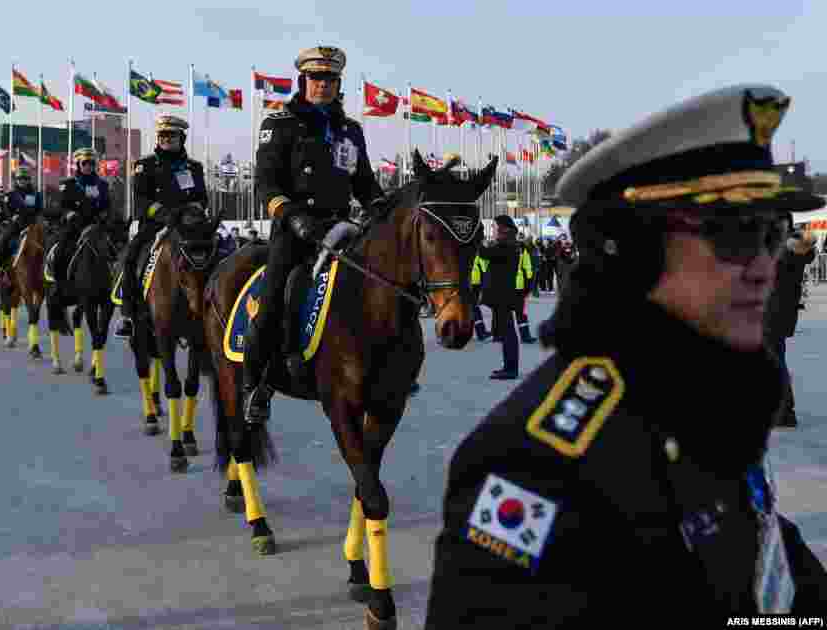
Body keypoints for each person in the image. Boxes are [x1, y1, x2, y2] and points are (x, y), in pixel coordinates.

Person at [424, 84, 827, 627]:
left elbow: (769, 572)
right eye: (734, 235)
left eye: (773, 233)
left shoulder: (708, 399)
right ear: (637, 251)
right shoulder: (535, 467)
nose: (763, 266)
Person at [242, 45, 388, 424]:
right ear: (303, 81)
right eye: (316, 78)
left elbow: (365, 183)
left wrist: (380, 208)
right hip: (294, 229)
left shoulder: (350, 130)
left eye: (330, 79)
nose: (322, 85)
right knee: (275, 299)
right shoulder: (280, 123)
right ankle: (255, 384)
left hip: (340, 228)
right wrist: (291, 216)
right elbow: (265, 184)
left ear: (339, 84)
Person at [115, 115, 207, 339]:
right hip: (156, 225)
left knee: (220, 250)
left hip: (188, 226)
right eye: (162, 134)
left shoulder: (194, 167)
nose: (166, 138)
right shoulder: (144, 165)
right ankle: (127, 313)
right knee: (131, 255)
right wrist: (166, 216)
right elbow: (141, 200)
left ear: (181, 138)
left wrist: (191, 212)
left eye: (171, 135)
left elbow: (202, 198)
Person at [765, 221, 817, 429]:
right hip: (777, 312)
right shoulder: (788, 251)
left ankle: (784, 411)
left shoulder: (783, 252)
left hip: (772, 313)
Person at [45, 148, 111, 296]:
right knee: (59, 251)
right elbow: (62, 206)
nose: (88, 166)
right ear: (78, 165)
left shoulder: (103, 185)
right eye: (85, 163)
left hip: (97, 226)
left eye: (92, 163)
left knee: (117, 250)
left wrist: (105, 215)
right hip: (75, 227)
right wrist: (69, 213)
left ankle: (115, 285)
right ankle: (58, 284)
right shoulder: (68, 184)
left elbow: (107, 205)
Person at [477, 215, 522, 379]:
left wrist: (475, 238)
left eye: (495, 227)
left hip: (503, 295)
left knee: (508, 333)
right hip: (502, 295)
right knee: (506, 332)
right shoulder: (506, 243)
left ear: (504, 228)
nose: (494, 230)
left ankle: (511, 369)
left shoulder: (507, 244)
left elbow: (484, 253)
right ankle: (508, 367)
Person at [0, 166, 43, 272]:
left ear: (29, 180)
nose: (22, 181)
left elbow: (39, 209)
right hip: (16, 224)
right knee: (4, 240)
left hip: (31, 224)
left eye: (25, 178)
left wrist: (36, 217)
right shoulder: (10, 194)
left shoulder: (36, 194)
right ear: (16, 180)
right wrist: (12, 217)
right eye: (20, 178)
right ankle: (0, 265)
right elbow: (6, 210)